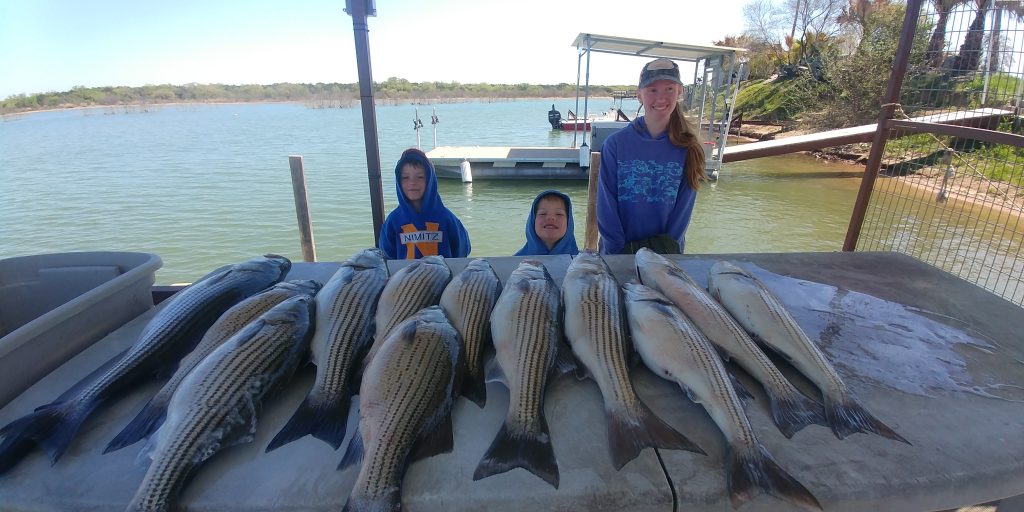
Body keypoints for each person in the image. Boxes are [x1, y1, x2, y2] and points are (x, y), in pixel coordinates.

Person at [596, 57, 707, 255]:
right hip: (617, 254)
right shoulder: (615, 145)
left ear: (680, 92)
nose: (661, 97)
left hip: (666, 255)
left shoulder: (690, 148)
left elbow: (683, 212)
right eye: (652, 90)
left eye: (669, 89)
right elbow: (606, 205)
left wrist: (664, 251)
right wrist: (618, 252)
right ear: (639, 95)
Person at [378, 147, 471, 259]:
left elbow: (463, 250)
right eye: (405, 177)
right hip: (405, 277)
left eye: (420, 177)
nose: (412, 182)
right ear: (398, 181)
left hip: (443, 276)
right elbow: (386, 256)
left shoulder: (447, 218)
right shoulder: (393, 221)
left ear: (430, 180)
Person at [514, 189, 579, 256]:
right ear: (532, 222)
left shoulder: (583, 262)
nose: (550, 217)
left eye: (559, 214)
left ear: (569, 223)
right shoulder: (513, 262)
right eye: (543, 214)